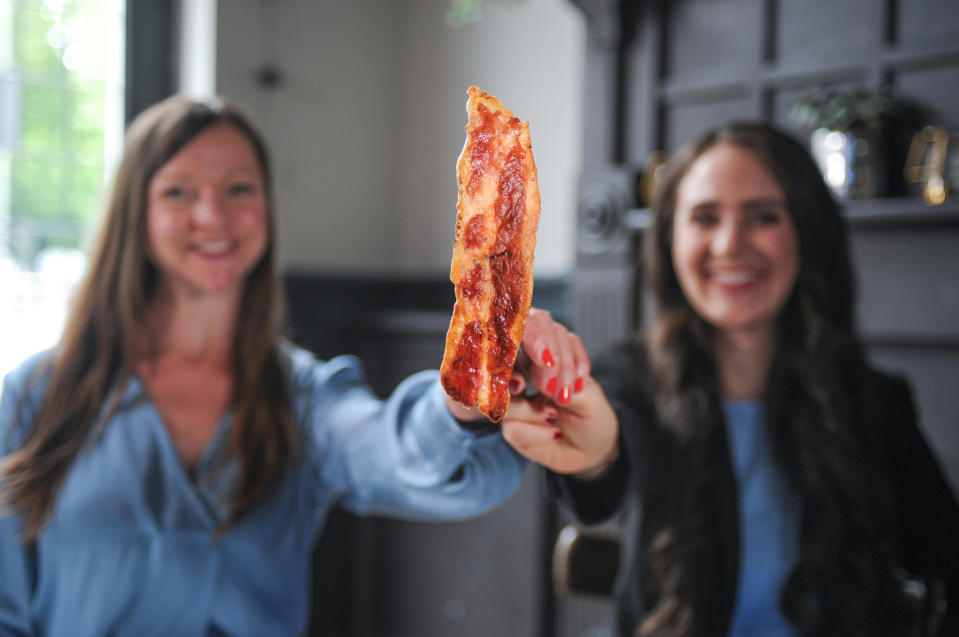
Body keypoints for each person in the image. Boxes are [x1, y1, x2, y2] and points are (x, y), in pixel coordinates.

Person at [0, 95, 588, 636]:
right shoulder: (35, 398)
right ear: (136, 214)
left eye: (239, 189)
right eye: (179, 192)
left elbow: (395, 450)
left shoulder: (302, 397)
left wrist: (461, 398)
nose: (214, 215)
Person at [503, 122, 959, 636]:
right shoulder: (628, 377)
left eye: (763, 216)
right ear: (670, 240)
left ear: (808, 233)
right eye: (704, 218)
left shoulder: (875, 400)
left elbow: (944, 554)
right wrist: (594, 451)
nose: (729, 244)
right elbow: (604, 464)